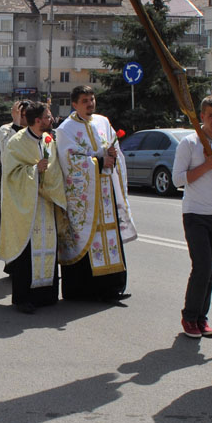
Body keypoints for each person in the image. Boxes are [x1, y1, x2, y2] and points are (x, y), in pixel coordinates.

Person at [54, 85, 137, 303]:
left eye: (92, 99)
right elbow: (69, 161)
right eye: (85, 100)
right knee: (87, 239)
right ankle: (84, 291)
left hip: (106, 192)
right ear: (74, 104)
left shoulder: (103, 121)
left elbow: (115, 149)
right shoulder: (65, 129)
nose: (90, 103)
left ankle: (112, 288)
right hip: (84, 197)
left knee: (110, 236)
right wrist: (99, 161)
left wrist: (112, 155)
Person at [0, 103, 67, 313]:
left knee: (48, 246)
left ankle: (46, 295)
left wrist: (53, 190)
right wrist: (34, 170)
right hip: (26, 207)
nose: (51, 119)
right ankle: (23, 299)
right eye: (48, 116)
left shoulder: (48, 140)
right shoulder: (16, 142)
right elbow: (11, 176)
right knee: (27, 253)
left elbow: (55, 170)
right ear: (38, 120)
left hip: (46, 203)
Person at [171, 95, 212, 339]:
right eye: (211, 115)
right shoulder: (190, 143)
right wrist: (206, 165)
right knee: (202, 267)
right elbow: (177, 179)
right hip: (195, 214)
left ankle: (202, 317)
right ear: (202, 116)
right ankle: (189, 316)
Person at [0, 100, 27, 242]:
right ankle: (0, 230)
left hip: (28, 173)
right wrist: (16, 123)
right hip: (10, 173)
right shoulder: (6, 129)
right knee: (7, 202)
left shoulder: (34, 129)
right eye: (22, 114)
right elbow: (8, 147)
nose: (25, 118)